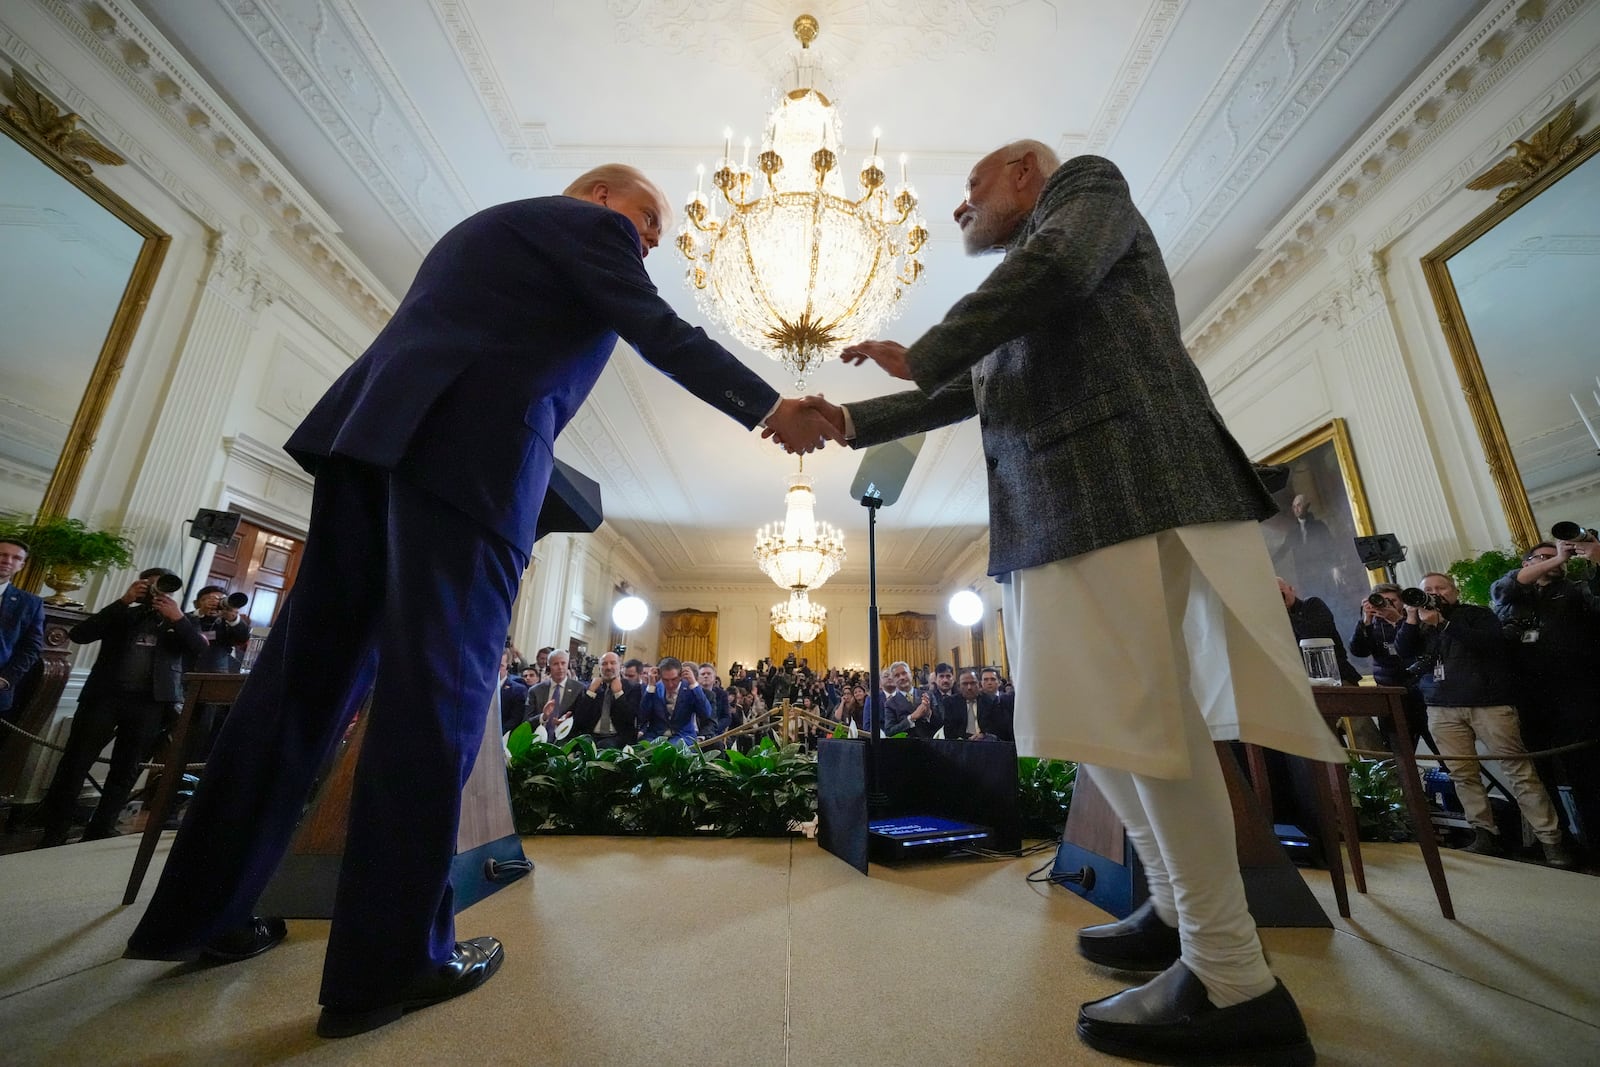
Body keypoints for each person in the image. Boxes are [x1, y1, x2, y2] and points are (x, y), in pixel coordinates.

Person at [122, 163, 838, 1039]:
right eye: (649, 218)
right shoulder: (586, 228)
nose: (652, 239)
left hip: (371, 446)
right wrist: (770, 401)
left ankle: (201, 911)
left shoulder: (483, 230)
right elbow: (655, 327)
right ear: (602, 196)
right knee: (438, 702)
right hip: (469, 461)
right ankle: (389, 963)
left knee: (298, 688)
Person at [799, 140, 1345, 1065]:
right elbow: (968, 393)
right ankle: (1177, 912)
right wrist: (847, 419)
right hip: (1059, 507)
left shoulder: (1083, 194)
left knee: (1150, 720)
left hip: (1122, 482)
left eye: (970, 189)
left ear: (1024, 174)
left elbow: (1046, 274)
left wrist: (926, 345)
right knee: (1109, 727)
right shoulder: (1023, 287)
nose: (960, 210)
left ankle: (1234, 977)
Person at [1395, 572, 1572, 867]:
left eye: (1440, 588)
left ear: (1454, 590)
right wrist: (1412, 618)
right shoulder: (1420, 623)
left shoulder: (1477, 614)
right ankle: (1484, 834)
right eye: (1427, 589)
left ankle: (1551, 841)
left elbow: (1488, 644)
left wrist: (1443, 622)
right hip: (1440, 706)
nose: (1434, 593)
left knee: (1519, 771)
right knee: (1462, 774)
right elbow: (1404, 651)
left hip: (1488, 704)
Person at [37, 569, 209, 846]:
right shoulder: (123, 612)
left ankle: (101, 829)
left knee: (126, 769)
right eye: (150, 585)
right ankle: (55, 831)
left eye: (162, 588)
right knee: (75, 763)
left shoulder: (181, 620)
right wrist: (123, 601)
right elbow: (80, 634)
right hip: (104, 698)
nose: (156, 592)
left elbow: (200, 652)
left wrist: (177, 619)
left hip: (150, 704)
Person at [1491, 542, 1600, 852]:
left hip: (1575, 695)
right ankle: (1557, 841)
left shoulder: (1577, 590)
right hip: (1527, 698)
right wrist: (1556, 555)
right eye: (1544, 557)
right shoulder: (1510, 595)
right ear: (1527, 563)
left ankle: (1595, 842)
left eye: (1558, 557)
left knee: (1586, 773)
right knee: (1539, 775)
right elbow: (1502, 588)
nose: (1555, 561)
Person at [0, 538, 45, 724]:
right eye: (2, 554)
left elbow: (31, 648)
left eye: (15, 557)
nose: (7, 561)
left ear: (21, 565)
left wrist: (5, 679)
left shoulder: (30, 603)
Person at [569, 650, 639, 749]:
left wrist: (619, 694)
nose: (608, 667)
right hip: (591, 735)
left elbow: (630, 719)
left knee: (605, 745)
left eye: (613, 663)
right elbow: (579, 719)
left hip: (617, 737)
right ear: (600, 667)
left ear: (620, 666)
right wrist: (590, 693)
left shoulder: (632, 687)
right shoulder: (590, 688)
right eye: (604, 664)